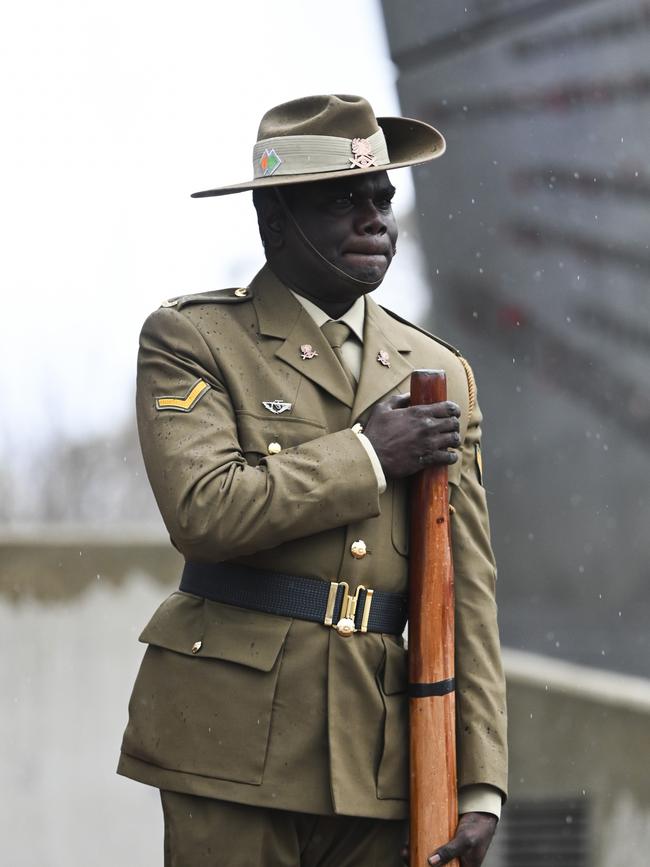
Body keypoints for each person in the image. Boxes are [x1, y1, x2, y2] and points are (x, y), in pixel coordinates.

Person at [118, 94, 507, 867]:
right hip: (228, 743)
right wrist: (367, 454)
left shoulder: (439, 372)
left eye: (384, 198)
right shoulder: (194, 339)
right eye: (344, 200)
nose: (377, 220)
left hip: (384, 756)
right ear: (275, 221)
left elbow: (466, 591)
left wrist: (479, 779)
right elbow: (204, 510)